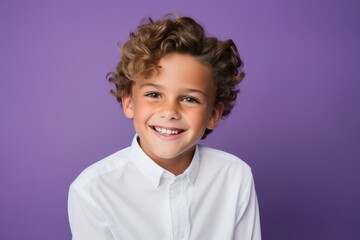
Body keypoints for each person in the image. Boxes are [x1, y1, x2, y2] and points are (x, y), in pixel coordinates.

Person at [68, 15, 261, 240]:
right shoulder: (93, 190)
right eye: (153, 94)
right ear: (129, 103)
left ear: (214, 115)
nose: (169, 111)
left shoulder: (235, 177)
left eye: (189, 99)